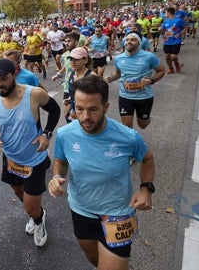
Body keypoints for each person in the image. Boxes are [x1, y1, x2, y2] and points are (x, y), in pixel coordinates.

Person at [48, 75, 155, 270]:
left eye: (93, 109)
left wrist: (146, 188)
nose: (85, 117)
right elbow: (60, 161)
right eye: (79, 109)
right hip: (81, 209)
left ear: (106, 107)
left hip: (118, 214)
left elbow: (147, 158)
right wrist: (56, 176)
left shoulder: (127, 137)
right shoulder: (65, 134)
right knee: (92, 256)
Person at [0, 58, 61, 246]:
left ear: (14, 75)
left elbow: (55, 111)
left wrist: (46, 134)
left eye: (3, 79)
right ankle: (35, 214)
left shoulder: (34, 94)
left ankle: (39, 220)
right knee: (19, 193)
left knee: (31, 207)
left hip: (34, 159)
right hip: (11, 159)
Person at [105, 32, 165, 130]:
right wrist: (111, 78)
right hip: (125, 96)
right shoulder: (119, 58)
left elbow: (161, 71)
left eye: (132, 40)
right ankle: (132, 143)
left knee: (143, 125)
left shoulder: (149, 56)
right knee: (127, 126)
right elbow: (118, 73)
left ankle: (147, 119)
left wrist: (151, 80)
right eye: (127, 39)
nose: (129, 42)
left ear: (139, 42)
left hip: (144, 96)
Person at [160, 7, 187, 74]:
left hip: (176, 40)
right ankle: (170, 68)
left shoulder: (178, 20)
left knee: (173, 56)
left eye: (165, 12)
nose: (164, 14)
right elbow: (162, 29)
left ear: (169, 13)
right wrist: (160, 29)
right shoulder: (165, 20)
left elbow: (186, 27)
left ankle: (176, 63)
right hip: (167, 41)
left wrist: (180, 33)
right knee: (167, 56)